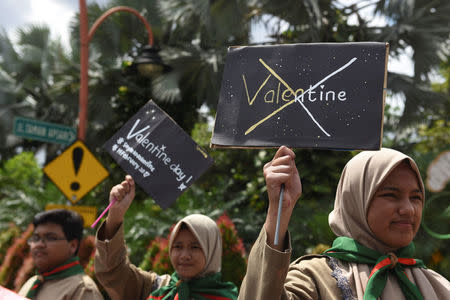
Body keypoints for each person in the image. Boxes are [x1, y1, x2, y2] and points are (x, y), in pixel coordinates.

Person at [238, 146, 450, 300]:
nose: (408, 209)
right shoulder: (316, 279)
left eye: (415, 197)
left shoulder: (437, 286)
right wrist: (279, 210)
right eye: (391, 195)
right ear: (355, 200)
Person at [94, 175, 238, 300]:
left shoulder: (226, 297)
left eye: (195, 247)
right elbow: (112, 272)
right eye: (178, 246)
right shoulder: (157, 289)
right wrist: (116, 215)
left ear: (211, 251)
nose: (184, 255)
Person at [18, 209, 104, 300]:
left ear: (72, 245)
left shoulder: (81, 289)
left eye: (50, 238)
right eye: (36, 238)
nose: (39, 244)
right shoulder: (32, 283)